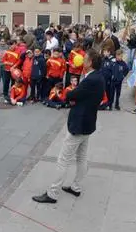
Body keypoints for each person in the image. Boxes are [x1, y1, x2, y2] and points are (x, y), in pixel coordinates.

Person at [32, 49, 106, 204]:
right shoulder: (98, 77)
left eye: (85, 59)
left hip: (79, 123)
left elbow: (72, 95)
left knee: (63, 159)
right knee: (82, 157)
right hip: (88, 122)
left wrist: (71, 96)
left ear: (90, 62)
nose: (82, 60)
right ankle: (76, 187)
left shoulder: (91, 79)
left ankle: (52, 193)